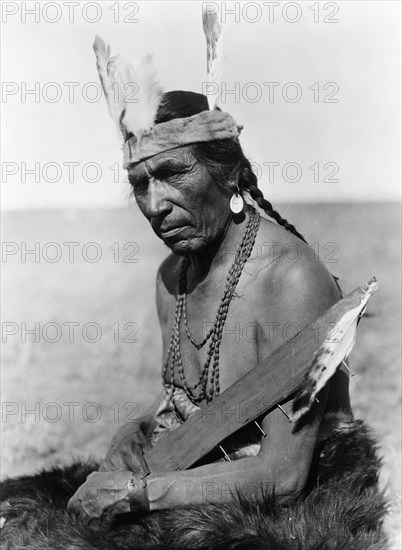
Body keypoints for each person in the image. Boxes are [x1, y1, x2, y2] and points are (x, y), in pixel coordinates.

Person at [0, 31, 387, 550]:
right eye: (140, 183)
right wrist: (128, 437)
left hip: (294, 509)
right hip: (195, 472)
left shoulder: (288, 281)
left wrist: (140, 494)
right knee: (14, 516)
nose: (155, 204)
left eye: (174, 173)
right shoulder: (172, 276)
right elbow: (187, 399)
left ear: (228, 176)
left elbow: (284, 476)